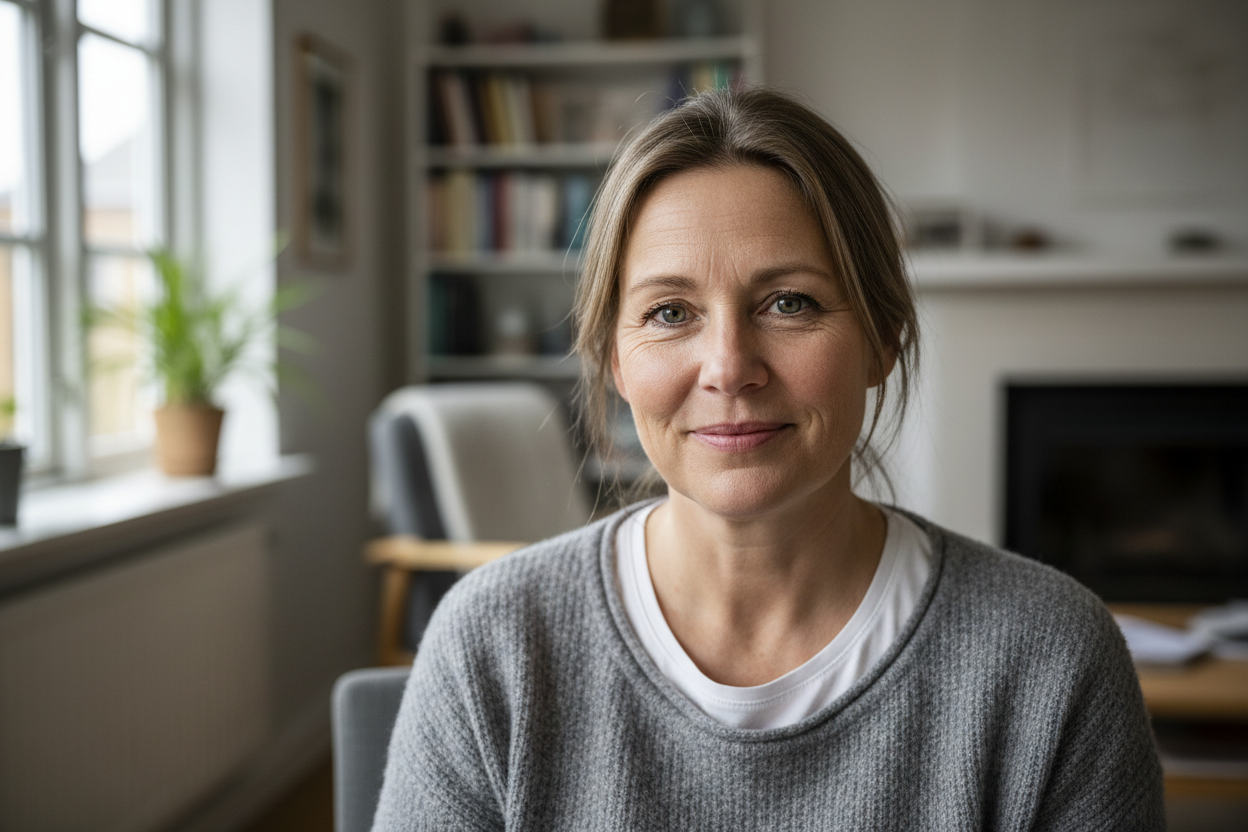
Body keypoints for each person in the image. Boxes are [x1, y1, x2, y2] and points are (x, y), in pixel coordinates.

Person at [372, 87, 1164, 830]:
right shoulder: (491, 644)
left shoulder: (1052, 658)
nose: (728, 367)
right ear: (616, 359)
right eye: (670, 312)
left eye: (790, 303)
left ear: (882, 337)